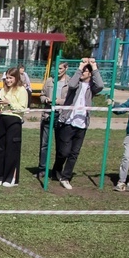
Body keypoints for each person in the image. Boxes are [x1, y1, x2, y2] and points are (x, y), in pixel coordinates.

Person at [52, 58, 104, 189]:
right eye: (82, 70)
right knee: (64, 152)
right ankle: (57, 169)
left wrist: (94, 66)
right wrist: (80, 67)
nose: (82, 73)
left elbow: (100, 85)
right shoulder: (76, 83)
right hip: (68, 122)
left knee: (74, 153)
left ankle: (66, 177)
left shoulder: (92, 88)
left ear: (90, 73)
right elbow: (71, 85)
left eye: (85, 71)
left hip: (82, 124)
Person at [0, 67, 29, 187]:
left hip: (14, 120)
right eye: (7, 78)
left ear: (16, 78)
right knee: (0, 148)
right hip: (2, 119)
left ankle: (11, 178)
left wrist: (10, 103)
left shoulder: (22, 90)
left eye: (10, 78)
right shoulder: (3, 90)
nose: (8, 80)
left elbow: (22, 108)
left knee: (12, 149)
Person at [38, 61, 68, 173]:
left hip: (62, 116)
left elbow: (71, 100)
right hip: (48, 114)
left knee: (61, 146)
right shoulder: (49, 81)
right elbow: (42, 95)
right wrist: (46, 99)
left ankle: (57, 170)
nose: (58, 71)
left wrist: (59, 101)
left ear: (66, 68)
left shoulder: (70, 82)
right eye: (56, 68)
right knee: (44, 144)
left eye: (60, 68)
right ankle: (42, 169)